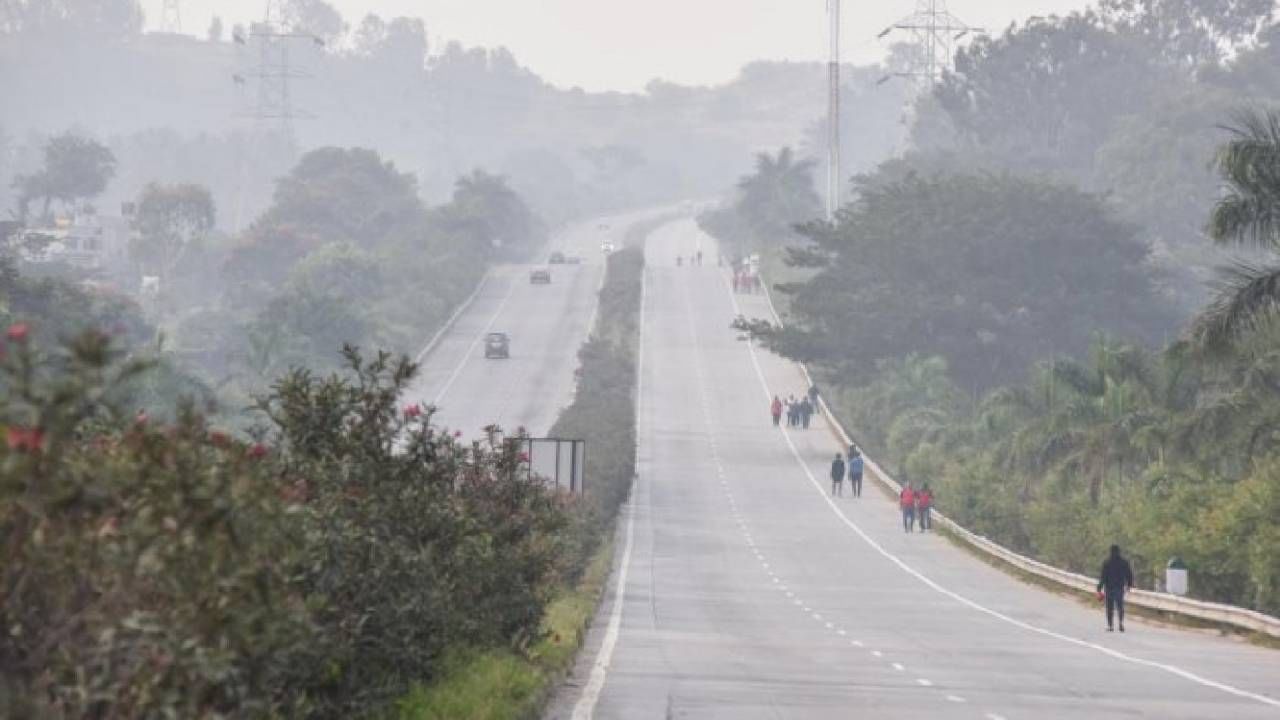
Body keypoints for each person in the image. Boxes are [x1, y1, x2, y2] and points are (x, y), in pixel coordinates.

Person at [1096, 545, 1135, 632]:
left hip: (1109, 587)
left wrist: (1099, 588)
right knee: (1120, 606)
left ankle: (1110, 626)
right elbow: (1129, 574)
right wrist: (1129, 585)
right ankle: (1121, 623)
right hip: (1119, 587)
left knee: (1109, 607)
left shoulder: (1106, 562)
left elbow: (1103, 577)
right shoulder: (1124, 562)